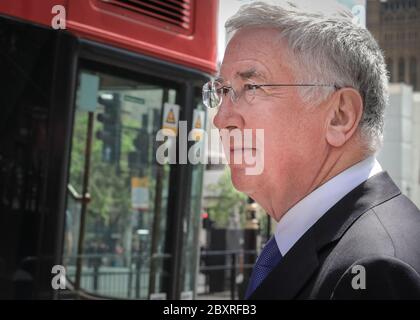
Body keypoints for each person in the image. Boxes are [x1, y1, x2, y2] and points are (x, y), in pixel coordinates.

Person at [203, 0, 420, 299]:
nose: (221, 118)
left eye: (251, 88)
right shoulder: (309, 241)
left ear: (339, 116)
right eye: (222, 91)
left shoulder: (378, 269)